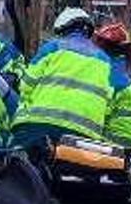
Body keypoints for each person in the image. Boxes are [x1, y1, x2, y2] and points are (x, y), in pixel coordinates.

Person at [10, 8, 114, 149]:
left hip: (37, 125)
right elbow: (108, 104)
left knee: (15, 163)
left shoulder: (52, 48)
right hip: (84, 136)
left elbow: (25, 85)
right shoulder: (105, 61)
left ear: (62, 30)